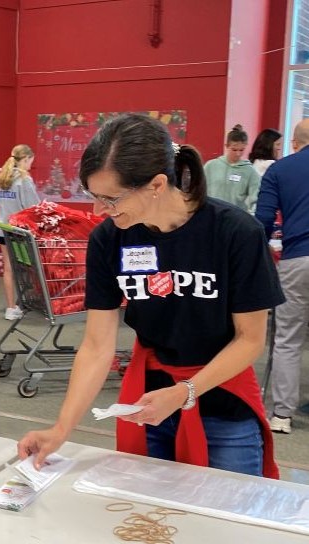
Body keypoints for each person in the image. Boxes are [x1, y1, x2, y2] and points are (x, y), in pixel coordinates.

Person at [18, 113, 283, 479]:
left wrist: (185, 392)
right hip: (148, 404)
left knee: (227, 511)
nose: (98, 210)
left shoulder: (235, 233)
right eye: (94, 196)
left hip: (224, 404)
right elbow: (96, 345)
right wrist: (61, 428)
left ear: (157, 184)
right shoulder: (110, 239)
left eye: (110, 198)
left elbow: (250, 340)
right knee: (146, 509)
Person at [255, 119, 309, 434]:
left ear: (294, 143)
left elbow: (263, 218)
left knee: (288, 337)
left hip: (296, 258)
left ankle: (282, 416)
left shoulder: (279, 170)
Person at [0, 144, 40, 320]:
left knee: (9, 269)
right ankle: (32, 301)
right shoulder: (24, 179)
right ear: (26, 159)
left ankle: (11, 308)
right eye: (30, 162)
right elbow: (33, 207)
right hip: (19, 232)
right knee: (30, 266)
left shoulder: (3, 177)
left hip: (2, 230)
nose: (30, 166)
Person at [203, 124, 261, 213]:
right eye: (234, 150)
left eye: (241, 150)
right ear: (226, 146)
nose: (238, 154)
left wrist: (251, 215)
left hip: (235, 217)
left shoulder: (250, 171)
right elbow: (199, 190)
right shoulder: (210, 166)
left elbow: (255, 199)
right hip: (211, 214)